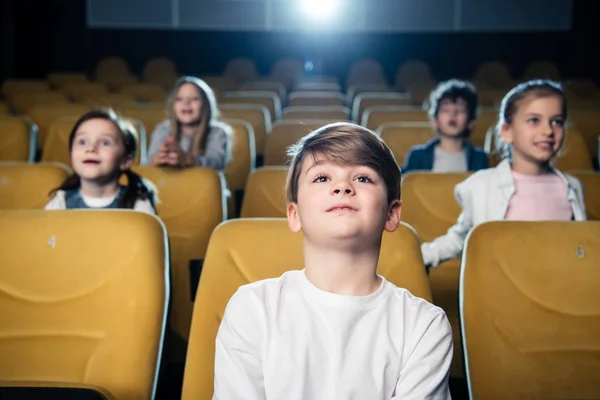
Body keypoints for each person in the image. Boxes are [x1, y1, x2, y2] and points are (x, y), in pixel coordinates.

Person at [214, 122, 453, 399]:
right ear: (295, 214)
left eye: (363, 178)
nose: (342, 186)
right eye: (322, 178)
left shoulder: (424, 325)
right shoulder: (252, 308)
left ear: (391, 213)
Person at [421, 79, 587, 268]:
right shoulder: (480, 185)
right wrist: (418, 256)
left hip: (556, 287)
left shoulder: (572, 187)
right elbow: (459, 239)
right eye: (534, 120)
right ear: (507, 131)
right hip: (502, 287)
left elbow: (578, 248)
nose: (548, 130)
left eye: (556, 121)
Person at [45, 108, 157, 213]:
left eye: (105, 143)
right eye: (82, 142)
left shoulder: (137, 205)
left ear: (125, 161)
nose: (91, 148)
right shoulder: (60, 203)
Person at [146, 76, 232, 170]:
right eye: (179, 99)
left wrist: (187, 160)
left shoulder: (218, 133)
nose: (186, 103)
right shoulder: (163, 129)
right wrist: (158, 159)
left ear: (206, 105)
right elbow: (147, 164)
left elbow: (216, 165)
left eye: (194, 99)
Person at [403, 79, 488, 173]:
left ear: (471, 121)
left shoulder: (479, 158)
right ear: (435, 120)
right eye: (445, 110)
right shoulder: (417, 156)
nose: (453, 115)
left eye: (460, 110)